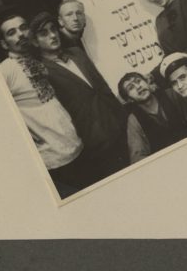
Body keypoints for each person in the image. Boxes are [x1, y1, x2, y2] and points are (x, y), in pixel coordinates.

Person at [31, 11, 128, 185]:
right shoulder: (42, 72)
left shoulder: (77, 52)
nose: (52, 35)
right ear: (35, 42)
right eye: (44, 33)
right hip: (93, 143)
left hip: (120, 124)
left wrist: (123, 116)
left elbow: (102, 86)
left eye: (53, 29)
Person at [0, 13, 84, 199]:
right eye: (12, 33)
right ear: (4, 44)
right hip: (53, 159)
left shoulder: (41, 58)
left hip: (76, 145)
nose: (20, 35)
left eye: (23, 28)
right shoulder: (6, 70)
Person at [117, 71, 187, 163]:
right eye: (131, 87)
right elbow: (137, 157)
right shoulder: (134, 120)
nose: (138, 87)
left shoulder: (171, 94)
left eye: (138, 81)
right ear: (129, 99)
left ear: (147, 82)